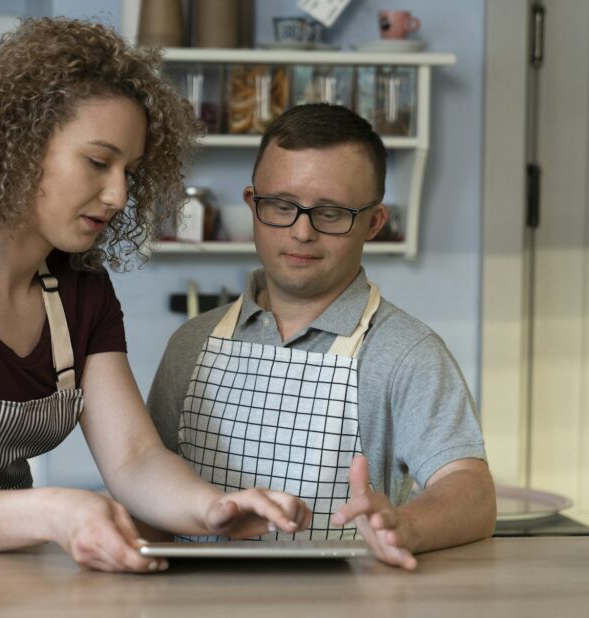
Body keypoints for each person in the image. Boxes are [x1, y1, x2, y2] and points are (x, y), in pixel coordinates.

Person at [0, 18, 311, 574]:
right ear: (21, 145)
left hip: (9, 569)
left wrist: (211, 508)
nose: (117, 195)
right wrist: (55, 512)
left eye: (129, 172)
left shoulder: (81, 286)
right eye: (97, 162)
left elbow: (134, 459)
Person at [147, 103, 496, 570]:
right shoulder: (191, 343)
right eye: (282, 206)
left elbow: (471, 493)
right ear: (253, 205)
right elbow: (145, 489)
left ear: (374, 222)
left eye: (331, 212)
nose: (302, 231)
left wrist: (407, 525)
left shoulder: (407, 353)